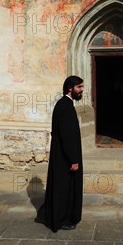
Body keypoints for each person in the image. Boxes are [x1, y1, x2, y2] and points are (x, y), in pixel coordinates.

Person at [35, 76, 84, 232]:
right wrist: (74, 160)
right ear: (70, 88)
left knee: (62, 187)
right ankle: (60, 219)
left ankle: (56, 214)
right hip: (65, 158)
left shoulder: (65, 104)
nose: (82, 90)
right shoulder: (65, 106)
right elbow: (67, 136)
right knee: (63, 189)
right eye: (79, 87)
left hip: (62, 156)